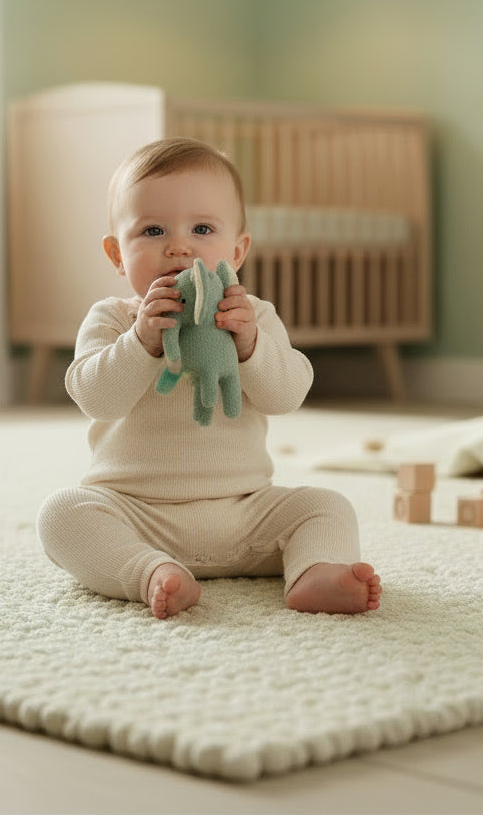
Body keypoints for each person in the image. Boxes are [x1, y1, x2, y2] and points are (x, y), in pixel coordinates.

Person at [37, 138, 382, 619]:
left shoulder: (254, 315)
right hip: (138, 512)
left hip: (245, 513)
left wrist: (250, 346)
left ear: (237, 251)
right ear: (117, 254)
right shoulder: (113, 319)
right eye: (153, 230)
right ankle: (151, 572)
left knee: (327, 505)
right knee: (62, 514)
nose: (178, 246)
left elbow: (288, 393)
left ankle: (314, 573)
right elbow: (96, 398)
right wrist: (141, 343)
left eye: (202, 228)